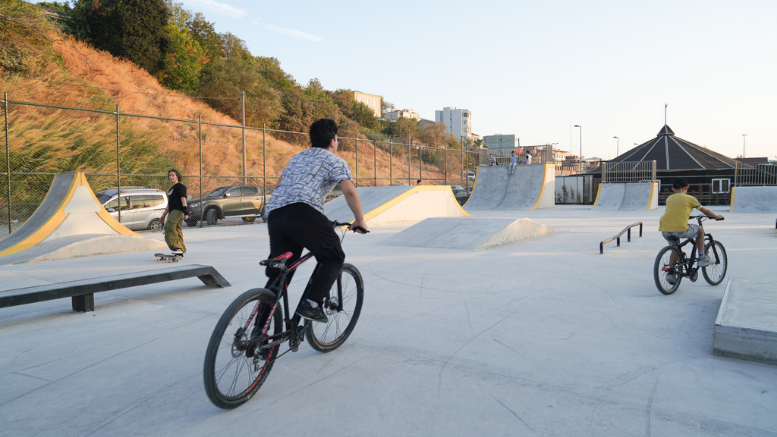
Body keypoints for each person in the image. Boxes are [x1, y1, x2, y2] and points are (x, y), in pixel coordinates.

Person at [263, 119, 368, 323]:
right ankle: (312, 304)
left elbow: (279, 185)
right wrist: (359, 219)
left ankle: (259, 331)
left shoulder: (297, 157)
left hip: (275, 214)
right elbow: (348, 191)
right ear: (333, 141)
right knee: (334, 257)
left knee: (282, 272)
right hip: (303, 212)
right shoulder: (335, 160)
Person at [659, 178, 723, 270]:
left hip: (665, 229)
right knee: (700, 230)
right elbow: (705, 211)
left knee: (675, 248)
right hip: (680, 229)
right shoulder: (690, 198)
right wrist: (716, 216)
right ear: (687, 187)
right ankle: (702, 257)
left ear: (673, 189)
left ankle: (671, 273)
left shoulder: (669, 198)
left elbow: (676, 210)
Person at [160, 169, 188, 256]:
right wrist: (164, 215)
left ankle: (176, 248)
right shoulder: (171, 189)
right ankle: (180, 250)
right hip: (172, 211)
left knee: (169, 227)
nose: (171, 177)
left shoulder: (180, 186)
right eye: (169, 175)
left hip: (178, 210)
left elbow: (183, 198)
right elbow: (169, 203)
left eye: (173, 175)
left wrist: (185, 211)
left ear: (177, 177)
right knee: (176, 229)